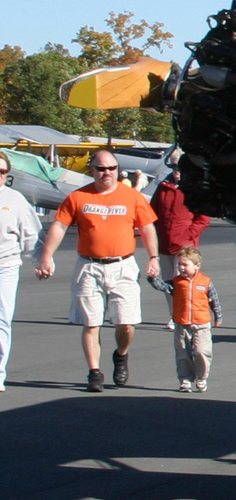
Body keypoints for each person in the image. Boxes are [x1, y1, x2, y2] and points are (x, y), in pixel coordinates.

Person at [35, 149, 161, 392]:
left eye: (112, 168)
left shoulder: (132, 197)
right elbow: (59, 226)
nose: (107, 173)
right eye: (101, 169)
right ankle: (94, 372)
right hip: (89, 266)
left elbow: (147, 228)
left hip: (123, 265)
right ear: (92, 170)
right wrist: (46, 257)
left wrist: (153, 258)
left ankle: (121, 354)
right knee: (91, 322)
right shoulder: (78, 197)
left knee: (126, 322)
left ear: (118, 170)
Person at [0, 151, 44, 393]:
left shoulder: (15, 199)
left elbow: (31, 234)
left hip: (5, 266)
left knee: (2, 320)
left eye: (2, 172)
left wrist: (41, 260)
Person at [150, 247, 220, 393]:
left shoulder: (205, 282)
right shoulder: (176, 282)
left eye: (185, 265)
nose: (181, 268)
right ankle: (185, 380)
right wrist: (153, 278)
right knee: (183, 354)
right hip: (182, 324)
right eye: (179, 264)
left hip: (201, 324)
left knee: (202, 352)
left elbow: (214, 300)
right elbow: (162, 286)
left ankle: (201, 378)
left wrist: (218, 316)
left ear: (197, 265)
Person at [151, 160, 209, 329]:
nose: (177, 172)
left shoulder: (195, 189)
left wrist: (189, 235)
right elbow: (152, 212)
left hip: (184, 247)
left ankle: (185, 315)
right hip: (165, 244)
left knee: (183, 282)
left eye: (180, 169)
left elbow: (203, 218)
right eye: (174, 168)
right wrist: (156, 234)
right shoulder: (163, 187)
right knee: (168, 283)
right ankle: (174, 314)